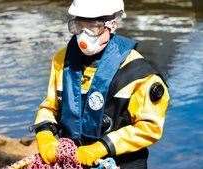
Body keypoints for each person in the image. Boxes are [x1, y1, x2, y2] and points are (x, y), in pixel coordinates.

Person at [31, 0, 170, 168]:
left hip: (121, 163)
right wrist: (45, 134)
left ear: (112, 24)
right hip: (73, 160)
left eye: (92, 27)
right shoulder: (62, 60)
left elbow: (149, 127)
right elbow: (49, 106)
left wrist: (101, 147)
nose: (83, 34)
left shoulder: (138, 73)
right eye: (78, 25)